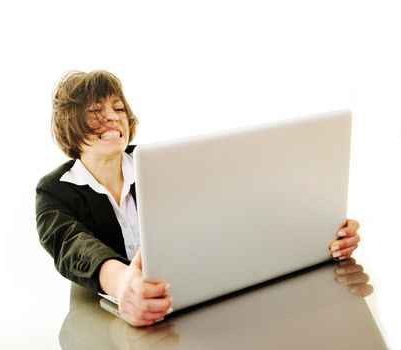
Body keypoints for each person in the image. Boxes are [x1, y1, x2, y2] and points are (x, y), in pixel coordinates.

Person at [35, 70, 361, 327]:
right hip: (104, 320)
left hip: (183, 302)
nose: (113, 119)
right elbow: (71, 244)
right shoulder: (55, 190)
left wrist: (320, 230)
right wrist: (122, 285)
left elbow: (232, 210)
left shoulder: (159, 164)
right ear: (70, 125)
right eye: (96, 111)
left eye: (118, 109)